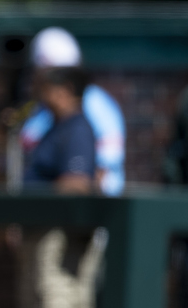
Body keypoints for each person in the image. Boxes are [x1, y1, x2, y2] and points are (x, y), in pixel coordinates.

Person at [22, 64, 107, 308]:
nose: (43, 95)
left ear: (66, 90)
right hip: (42, 234)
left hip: (63, 240)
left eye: (48, 87)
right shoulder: (52, 129)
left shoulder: (78, 129)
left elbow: (77, 184)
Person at [20, 27, 125, 195]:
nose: (38, 85)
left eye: (48, 79)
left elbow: (96, 174)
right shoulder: (41, 110)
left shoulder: (94, 106)